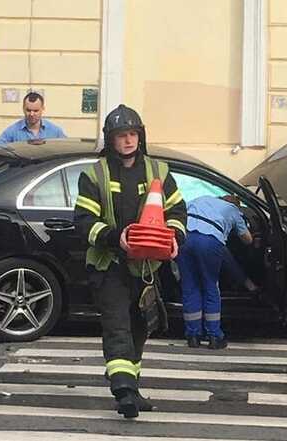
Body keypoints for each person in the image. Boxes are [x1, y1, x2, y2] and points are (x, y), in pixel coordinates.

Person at [74, 104, 187, 418]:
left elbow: (177, 212)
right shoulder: (94, 174)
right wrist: (114, 237)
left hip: (149, 266)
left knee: (139, 328)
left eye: (132, 134)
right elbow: (83, 221)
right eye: (121, 135)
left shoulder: (159, 172)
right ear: (110, 140)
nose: (128, 141)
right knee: (117, 326)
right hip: (109, 264)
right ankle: (122, 389)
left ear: (141, 137)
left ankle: (132, 387)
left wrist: (174, 239)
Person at [176, 195, 253, 349]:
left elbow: (181, 213)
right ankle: (214, 336)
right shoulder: (232, 210)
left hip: (185, 239)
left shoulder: (201, 199)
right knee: (210, 287)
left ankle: (193, 336)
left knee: (190, 288)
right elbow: (247, 239)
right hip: (209, 242)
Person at [0, 92, 67, 147]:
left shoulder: (55, 131)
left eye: (35, 111)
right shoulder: (12, 131)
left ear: (43, 109)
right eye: (28, 110)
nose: (31, 114)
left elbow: (67, 150)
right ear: (23, 109)